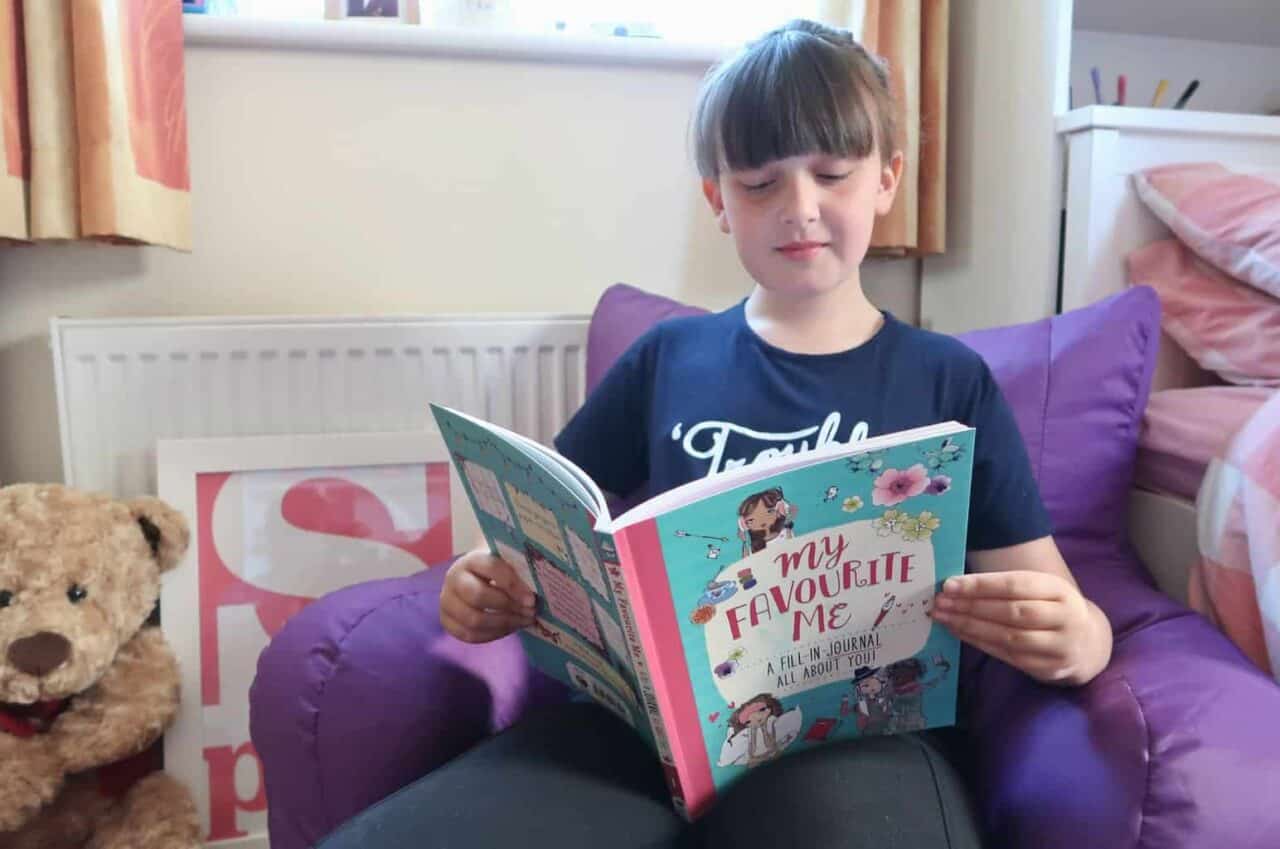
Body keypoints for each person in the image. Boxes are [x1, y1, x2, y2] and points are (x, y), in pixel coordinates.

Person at [320, 18, 1113, 849]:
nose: (800, 209)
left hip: (861, 738)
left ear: (887, 179)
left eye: (833, 174)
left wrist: (1078, 638)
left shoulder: (947, 380)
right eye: (761, 182)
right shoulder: (668, 358)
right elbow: (536, 530)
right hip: (643, 741)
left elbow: (1056, 600)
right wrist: (480, 584)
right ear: (718, 201)